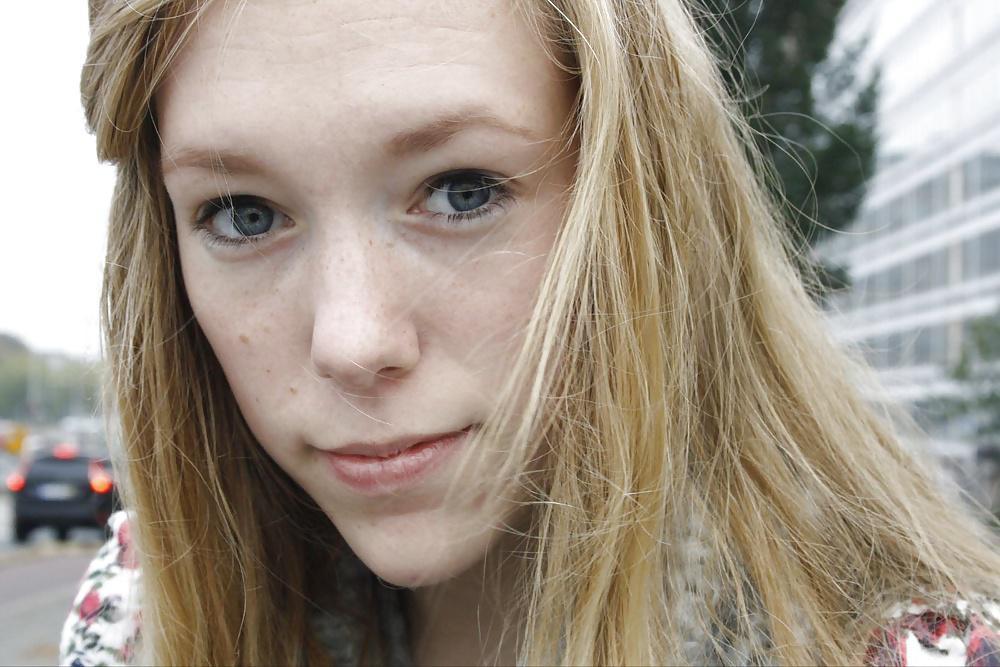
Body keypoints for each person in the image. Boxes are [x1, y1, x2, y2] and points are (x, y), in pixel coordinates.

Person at [60, 0, 1000, 665]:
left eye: (461, 191)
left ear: (647, 202)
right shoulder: (147, 624)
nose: (352, 341)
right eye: (245, 214)